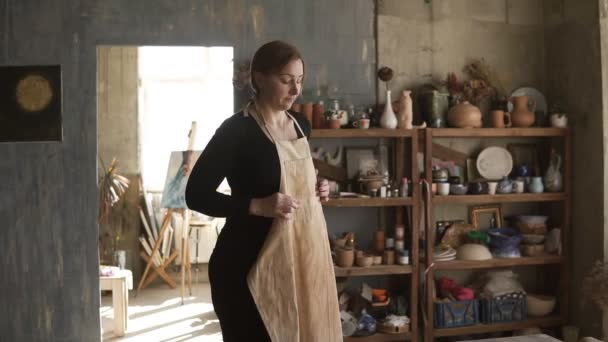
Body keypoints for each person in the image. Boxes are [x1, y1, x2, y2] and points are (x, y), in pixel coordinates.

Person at [185, 41, 342, 341]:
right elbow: (196, 194)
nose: (295, 90)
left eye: (299, 80)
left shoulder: (302, 126)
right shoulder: (236, 131)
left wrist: (317, 187)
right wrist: (257, 205)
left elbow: (289, 179)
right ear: (259, 79)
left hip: (296, 261)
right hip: (245, 266)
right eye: (285, 81)